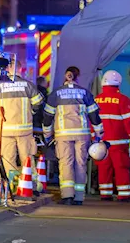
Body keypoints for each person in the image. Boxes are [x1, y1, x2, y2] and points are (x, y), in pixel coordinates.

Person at [43, 66, 103, 205]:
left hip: (63, 135)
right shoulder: (84, 93)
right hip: (82, 135)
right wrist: (98, 134)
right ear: (78, 77)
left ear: (65, 76)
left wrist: (47, 135)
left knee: (66, 164)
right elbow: (94, 115)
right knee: (81, 164)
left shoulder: (56, 94)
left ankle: (67, 196)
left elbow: (48, 116)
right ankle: (79, 197)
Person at [0, 57, 43, 186]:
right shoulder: (28, 85)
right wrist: (31, 112)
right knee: (27, 159)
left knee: (8, 160)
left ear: (7, 69)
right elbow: (38, 103)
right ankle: (30, 186)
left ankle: (11, 187)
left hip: (5, 130)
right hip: (24, 130)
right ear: (20, 69)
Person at [95, 70, 130, 201]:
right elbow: (129, 121)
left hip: (101, 142)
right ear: (118, 83)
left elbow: (91, 121)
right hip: (119, 142)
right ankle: (123, 195)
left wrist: (93, 138)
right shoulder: (123, 100)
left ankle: (105, 194)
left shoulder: (96, 99)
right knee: (121, 167)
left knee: (104, 168)